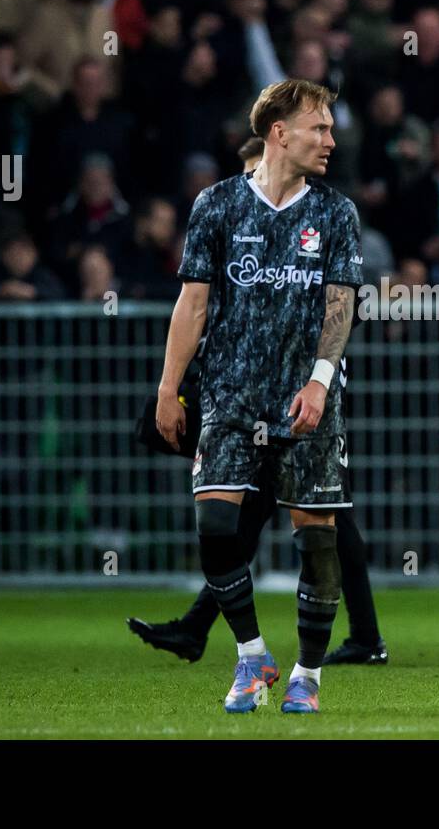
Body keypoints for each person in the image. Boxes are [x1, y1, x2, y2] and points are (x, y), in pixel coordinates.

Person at [153, 79, 364, 714]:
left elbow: (340, 303)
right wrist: (168, 388)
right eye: (318, 128)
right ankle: (251, 658)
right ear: (279, 132)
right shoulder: (216, 206)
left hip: (304, 399)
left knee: (316, 539)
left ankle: (308, 674)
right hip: (228, 394)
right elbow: (192, 303)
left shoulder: (334, 212)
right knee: (216, 526)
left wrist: (320, 383)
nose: (330, 139)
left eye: (330, 129)